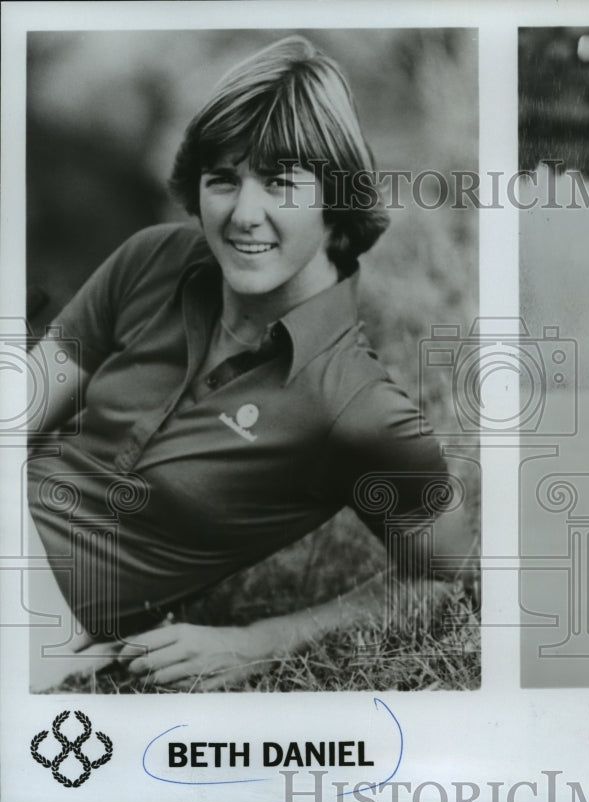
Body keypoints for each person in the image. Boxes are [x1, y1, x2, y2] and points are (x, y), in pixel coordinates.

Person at [25, 36, 474, 691]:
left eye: (281, 182)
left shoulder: (358, 405)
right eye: (223, 178)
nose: (243, 213)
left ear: (334, 198)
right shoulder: (155, 260)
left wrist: (257, 641)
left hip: (44, 613)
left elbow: (442, 580)